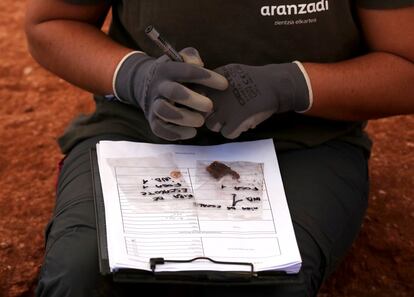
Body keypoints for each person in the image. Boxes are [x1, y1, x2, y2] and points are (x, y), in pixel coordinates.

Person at [25, 0, 414, 296]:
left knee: (272, 282)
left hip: (303, 140)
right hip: (139, 128)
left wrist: (290, 85)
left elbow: (405, 63)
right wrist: (138, 77)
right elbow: (52, 23)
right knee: (79, 276)